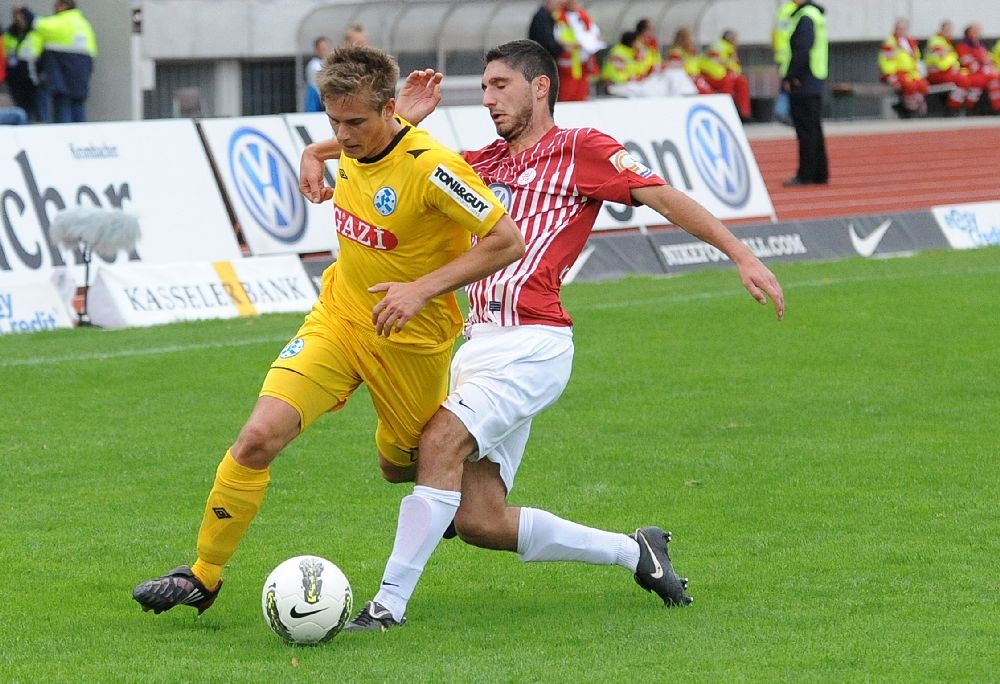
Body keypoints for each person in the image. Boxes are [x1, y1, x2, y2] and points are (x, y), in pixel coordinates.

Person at [300, 39, 785, 631]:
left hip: (533, 342)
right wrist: (326, 148)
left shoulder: (581, 150)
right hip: (478, 345)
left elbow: (662, 197)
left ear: (540, 88)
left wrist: (741, 254)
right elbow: (391, 155)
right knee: (475, 516)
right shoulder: (483, 162)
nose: (488, 99)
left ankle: (386, 607)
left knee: (438, 448)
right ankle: (638, 552)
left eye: (500, 85)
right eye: (482, 88)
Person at [131, 44, 525, 616]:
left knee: (401, 465)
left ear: (389, 110)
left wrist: (421, 289)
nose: (343, 136)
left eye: (355, 123)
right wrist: (317, 152)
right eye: (333, 122)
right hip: (338, 320)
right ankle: (202, 575)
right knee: (258, 437)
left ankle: (456, 488)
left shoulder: (435, 168)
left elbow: (506, 240)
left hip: (410, 339)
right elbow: (368, 145)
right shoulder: (359, 141)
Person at [15, 0, 96, 123]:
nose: (55, 8)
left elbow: (38, 24)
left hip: (63, 74)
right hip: (81, 73)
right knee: (78, 108)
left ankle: (65, 139)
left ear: (64, 6)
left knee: (63, 108)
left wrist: (23, 9)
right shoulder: (83, 24)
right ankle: (81, 138)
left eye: (57, 5)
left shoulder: (62, 21)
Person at [781, 0, 829, 187]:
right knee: (814, 128)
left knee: (806, 130)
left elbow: (802, 49)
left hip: (804, 80)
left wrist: (792, 76)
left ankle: (806, 174)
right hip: (814, 78)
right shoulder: (814, 14)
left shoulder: (805, 16)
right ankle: (819, 172)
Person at [878, 18, 929, 117]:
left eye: (903, 29)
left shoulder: (910, 42)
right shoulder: (890, 42)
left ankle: (913, 107)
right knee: (910, 86)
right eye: (898, 28)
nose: (901, 31)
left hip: (911, 72)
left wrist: (919, 71)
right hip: (897, 72)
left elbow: (916, 59)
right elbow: (886, 62)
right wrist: (890, 76)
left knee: (923, 85)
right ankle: (908, 109)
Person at [700, 30, 752, 120]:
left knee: (741, 81)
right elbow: (716, 62)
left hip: (724, 73)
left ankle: (744, 113)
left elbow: (734, 66)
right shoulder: (719, 46)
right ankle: (725, 110)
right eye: (735, 39)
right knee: (728, 83)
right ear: (730, 38)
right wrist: (730, 68)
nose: (737, 41)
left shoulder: (729, 48)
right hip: (713, 75)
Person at [924, 21, 970, 114]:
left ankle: (957, 106)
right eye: (947, 30)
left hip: (945, 72)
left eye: (950, 30)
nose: (949, 33)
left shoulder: (945, 42)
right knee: (963, 80)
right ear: (941, 30)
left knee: (968, 76)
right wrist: (952, 59)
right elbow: (941, 64)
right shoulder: (936, 42)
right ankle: (953, 107)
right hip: (936, 73)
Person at [3, 6, 39, 121]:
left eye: (21, 16)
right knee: (18, 108)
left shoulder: (35, 34)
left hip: (31, 79)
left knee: (32, 109)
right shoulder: (9, 34)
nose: (18, 19)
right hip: (14, 79)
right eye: (16, 16)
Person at [956, 22, 1000, 114]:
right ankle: (966, 108)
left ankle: (997, 108)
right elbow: (968, 63)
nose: (978, 33)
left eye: (979, 31)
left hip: (981, 73)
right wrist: (981, 63)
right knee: (977, 82)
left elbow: (988, 60)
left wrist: (986, 65)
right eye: (975, 31)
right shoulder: (963, 46)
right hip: (970, 74)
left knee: (995, 78)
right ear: (969, 33)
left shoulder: (980, 46)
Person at [771, 0, 798, 124]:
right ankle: (784, 112)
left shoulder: (783, 10)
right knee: (790, 84)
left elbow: (775, 33)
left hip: (782, 53)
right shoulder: (795, 10)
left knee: (786, 83)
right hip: (790, 54)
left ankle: (782, 111)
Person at [667, 27, 713, 94]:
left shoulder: (689, 52)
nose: (692, 41)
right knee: (705, 92)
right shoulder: (676, 52)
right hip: (686, 80)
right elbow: (677, 69)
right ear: (682, 39)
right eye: (689, 38)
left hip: (695, 77)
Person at [303, 36, 331, 112]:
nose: (324, 51)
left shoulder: (328, 63)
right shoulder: (313, 64)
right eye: (321, 48)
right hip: (316, 95)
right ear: (316, 50)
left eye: (326, 48)